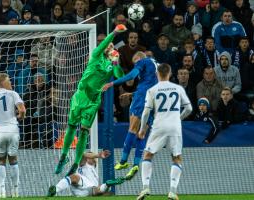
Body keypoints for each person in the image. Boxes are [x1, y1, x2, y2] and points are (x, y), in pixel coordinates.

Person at [54, 24, 127, 176]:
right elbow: (103, 44)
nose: (110, 46)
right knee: (72, 127)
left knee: (84, 131)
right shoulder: (95, 56)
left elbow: (120, 76)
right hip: (80, 96)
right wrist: (113, 33)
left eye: (112, 46)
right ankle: (63, 156)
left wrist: (115, 62)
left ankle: (75, 163)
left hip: (93, 101)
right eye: (108, 45)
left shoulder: (110, 64)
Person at [136, 63, 192, 200]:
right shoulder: (178, 88)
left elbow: (145, 112)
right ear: (170, 74)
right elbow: (189, 108)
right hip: (174, 127)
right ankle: (172, 191)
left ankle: (145, 187)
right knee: (176, 158)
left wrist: (142, 129)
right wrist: (177, 118)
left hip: (159, 126)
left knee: (148, 155)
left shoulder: (152, 90)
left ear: (157, 74)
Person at [103, 51, 158, 179]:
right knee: (142, 132)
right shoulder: (156, 65)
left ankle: (123, 161)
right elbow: (152, 84)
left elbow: (132, 75)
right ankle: (136, 164)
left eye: (135, 61)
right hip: (154, 99)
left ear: (138, 58)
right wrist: (132, 94)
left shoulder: (143, 61)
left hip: (142, 97)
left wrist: (112, 83)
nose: (135, 64)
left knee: (132, 129)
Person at [48, 150, 126, 197]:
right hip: (79, 187)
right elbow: (83, 155)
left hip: (88, 191)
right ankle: (55, 190)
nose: (90, 157)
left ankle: (107, 184)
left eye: (91, 156)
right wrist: (98, 155)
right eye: (90, 155)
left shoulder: (95, 172)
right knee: (74, 177)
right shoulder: (84, 164)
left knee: (104, 192)